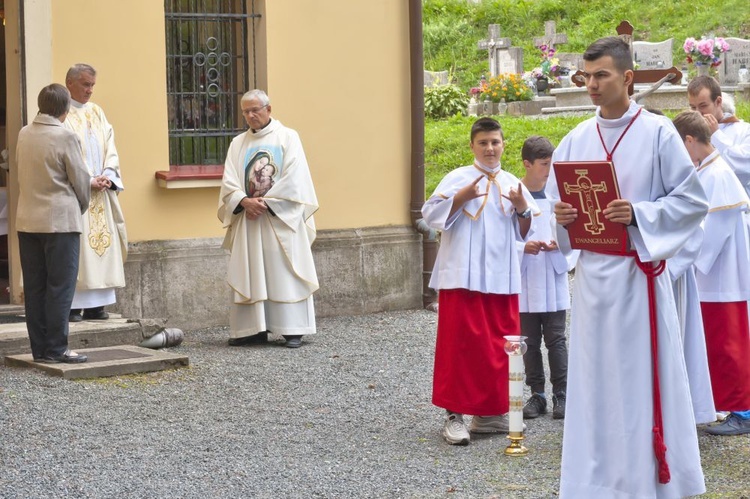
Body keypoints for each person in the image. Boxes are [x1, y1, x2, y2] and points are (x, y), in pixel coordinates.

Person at [547, 37, 708, 497]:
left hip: (638, 277)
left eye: (602, 76)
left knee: (638, 382)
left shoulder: (657, 133)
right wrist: (561, 218)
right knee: (595, 385)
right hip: (594, 281)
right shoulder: (575, 139)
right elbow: (559, 210)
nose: (592, 85)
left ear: (628, 78)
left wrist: (640, 214)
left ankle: (645, 479)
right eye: (587, 76)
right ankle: (595, 482)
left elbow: (692, 200)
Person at [422, 117, 538, 446]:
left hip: (501, 278)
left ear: (503, 146)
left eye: (495, 142)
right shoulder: (457, 178)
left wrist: (520, 208)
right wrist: (459, 198)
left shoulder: (514, 183)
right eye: (483, 142)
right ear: (472, 146)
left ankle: (489, 415)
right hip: (463, 277)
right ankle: (454, 415)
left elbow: (525, 231)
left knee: (500, 347)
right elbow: (430, 216)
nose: (490, 148)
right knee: (460, 346)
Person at [218, 89, 319, 349]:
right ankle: (252, 329)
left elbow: (295, 178)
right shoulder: (238, 143)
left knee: (283, 270)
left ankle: (292, 329)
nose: (250, 116)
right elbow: (229, 179)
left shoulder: (288, 137)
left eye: (255, 110)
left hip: (279, 217)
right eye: (245, 112)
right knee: (251, 270)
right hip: (249, 219)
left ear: (268, 109)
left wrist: (266, 202)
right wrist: (243, 201)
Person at [672, 110, 750, 436]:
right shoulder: (705, 170)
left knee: (729, 346)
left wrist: (672, 264)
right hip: (710, 280)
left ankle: (743, 411)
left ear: (690, 141)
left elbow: (708, 238)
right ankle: (723, 404)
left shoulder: (718, 175)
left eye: (679, 147)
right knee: (714, 346)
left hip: (722, 279)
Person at [16, 84, 91, 363]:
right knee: (60, 287)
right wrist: (78, 207)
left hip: (27, 220)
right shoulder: (65, 136)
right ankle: (58, 348)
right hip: (61, 222)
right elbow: (81, 180)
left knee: (35, 288)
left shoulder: (24, 133)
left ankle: (40, 350)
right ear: (65, 108)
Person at [64, 63, 127, 322]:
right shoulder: (61, 113)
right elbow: (64, 154)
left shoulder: (97, 112)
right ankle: (74, 305)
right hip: (78, 194)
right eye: (85, 84)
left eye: (92, 85)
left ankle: (97, 305)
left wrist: (108, 176)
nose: (90, 90)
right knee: (79, 251)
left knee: (102, 247)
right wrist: (87, 179)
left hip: (101, 192)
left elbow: (110, 146)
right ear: (70, 83)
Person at [517, 136, 571, 421]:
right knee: (529, 341)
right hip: (526, 276)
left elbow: (572, 231)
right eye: (544, 164)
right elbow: (507, 235)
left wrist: (560, 245)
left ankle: (561, 394)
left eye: (552, 164)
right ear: (527, 164)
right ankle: (536, 393)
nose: (549, 170)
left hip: (552, 272)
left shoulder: (560, 194)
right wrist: (522, 247)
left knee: (556, 338)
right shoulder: (514, 193)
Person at [687, 76, 750, 196]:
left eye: (703, 106)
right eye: (693, 107)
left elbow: (744, 171)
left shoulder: (744, 130)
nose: (698, 113)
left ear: (718, 102)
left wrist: (716, 135)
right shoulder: (688, 134)